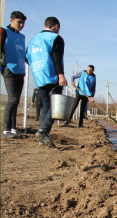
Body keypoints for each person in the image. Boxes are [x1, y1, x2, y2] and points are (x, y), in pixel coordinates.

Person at [26, 16, 67, 147]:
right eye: (58, 29)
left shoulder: (33, 40)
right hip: (51, 75)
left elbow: (27, 58)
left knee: (46, 104)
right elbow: (56, 57)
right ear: (55, 26)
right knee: (56, 105)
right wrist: (61, 75)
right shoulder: (55, 38)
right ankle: (43, 131)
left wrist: (37, 67)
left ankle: (41, 136)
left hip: (38, 75)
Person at [1, 11, 27, 138]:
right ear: (11, 20)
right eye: (19, 22)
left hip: (20, 71)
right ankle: (5, 130)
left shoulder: (22, 37)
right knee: (12, 99)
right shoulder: (3, 31)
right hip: (9, 69)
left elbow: (23, 54)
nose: (21, 25)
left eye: (23, 23)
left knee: (16, 101)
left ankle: (13, 128)